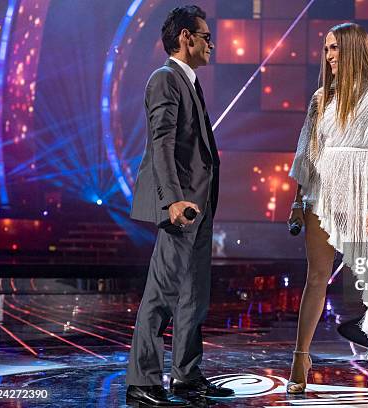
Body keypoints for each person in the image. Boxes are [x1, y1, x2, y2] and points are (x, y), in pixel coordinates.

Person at [287, 23, 368, 400]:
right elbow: (307, 154)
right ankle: (299, 358)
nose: (328, 56)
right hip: (322, 194)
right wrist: (296, 200)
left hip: (362, 194)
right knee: (316, 277)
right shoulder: (321, 97)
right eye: (325, 49)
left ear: (354, 49)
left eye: (335, 48)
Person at [126, 5, 233, 406]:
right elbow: (162, 144)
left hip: (200, 206)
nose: (211, 44)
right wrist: (171, 201)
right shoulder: (165, 80)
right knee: (163, 294)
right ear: (186, 37)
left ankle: (186, 375)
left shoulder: (187, 82)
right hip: (181, 205)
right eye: (206, 37)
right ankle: (143, 381)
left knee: (194, 295)